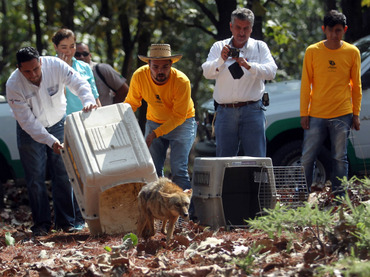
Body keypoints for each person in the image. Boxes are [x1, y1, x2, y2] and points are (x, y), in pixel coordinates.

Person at [6, 46, 97, 236]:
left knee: (64, 174)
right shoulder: (13, 85)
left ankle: (66, 223)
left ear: (41, 62)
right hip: (29, 131)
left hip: (58, 122)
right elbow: (28, 122)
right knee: (35, 179)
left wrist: (87, 100)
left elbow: (79, 83)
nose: (32, 74)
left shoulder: (55, 65)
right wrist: (51, 141)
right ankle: (42, 225)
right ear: (19, 68)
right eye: (27, 71)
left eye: (35, 69)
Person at [300, 10, 362, 195]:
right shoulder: (313, 51)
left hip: (342, 113)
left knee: (339, 158)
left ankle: (340, 197)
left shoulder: (352, 52)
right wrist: (304, 113)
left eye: (338, 31)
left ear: (344, 30)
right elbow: (306, 84)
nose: (334, 35)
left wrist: (356, 114)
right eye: (330, 31)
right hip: (316, 113)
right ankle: (302, 194)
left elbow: (356, 85)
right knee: (307, 157)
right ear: (323, 30)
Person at [202, 8, 277, 158]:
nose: (241, 33)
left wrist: (249, 66)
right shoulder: (219, 47)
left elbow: (271, 71)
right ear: (231, 26)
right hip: (224, 111)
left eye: (246, 28)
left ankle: (258, 183)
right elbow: (206, 72)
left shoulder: (259, 47)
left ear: (251, 29)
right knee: (224, 160)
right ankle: (226, 183)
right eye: (238, 28)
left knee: (257, 160)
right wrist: (221, 60)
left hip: (253, 110)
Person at [124, 44, 197, 191]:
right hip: (154, 121)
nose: (160, 71)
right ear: (148, 64)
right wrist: (120, 124)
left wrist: (155, 134)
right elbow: (131, 104)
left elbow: (178, 116)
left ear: (171, 64)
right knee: (152, 169)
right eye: (155, 67)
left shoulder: (182, 81)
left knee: (178, 169)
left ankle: (186, 211)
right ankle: (158, 208)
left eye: (165, 67)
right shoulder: (139, 75)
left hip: (182, 123)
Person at [52, 29, 101, 114]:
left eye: (72, 46)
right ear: (55, 47)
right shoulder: (49, 68)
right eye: (64, 47)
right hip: (62, 121)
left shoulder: (85, 67)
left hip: (87, 117)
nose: (69, 51)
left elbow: (95, 96)